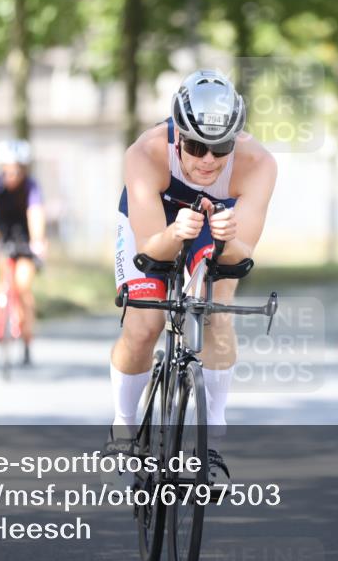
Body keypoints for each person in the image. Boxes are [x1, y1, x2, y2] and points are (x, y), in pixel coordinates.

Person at [108, 69, 276, 483]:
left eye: (219, 148)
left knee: (218, 314)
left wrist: (227, 238)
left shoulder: (258, 164)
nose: (207, 161)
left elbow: (241, 257)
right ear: (178, 135)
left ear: (235, 139)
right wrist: (173, 234)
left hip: (215, 225)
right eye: (197, 146)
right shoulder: (145, 153)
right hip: (154, 225)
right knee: (144, 324)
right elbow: (148, 247)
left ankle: (210, 447)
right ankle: (123, 425)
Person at [0, 139, 47, 366]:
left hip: (24, 238)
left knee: (23, 285)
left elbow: (36, 215)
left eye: (17, 170)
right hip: (0, 230)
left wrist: (38, 242)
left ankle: (26, 338)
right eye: (7, 170)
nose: (12, 175)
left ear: (24, 170)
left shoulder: (31, 188)